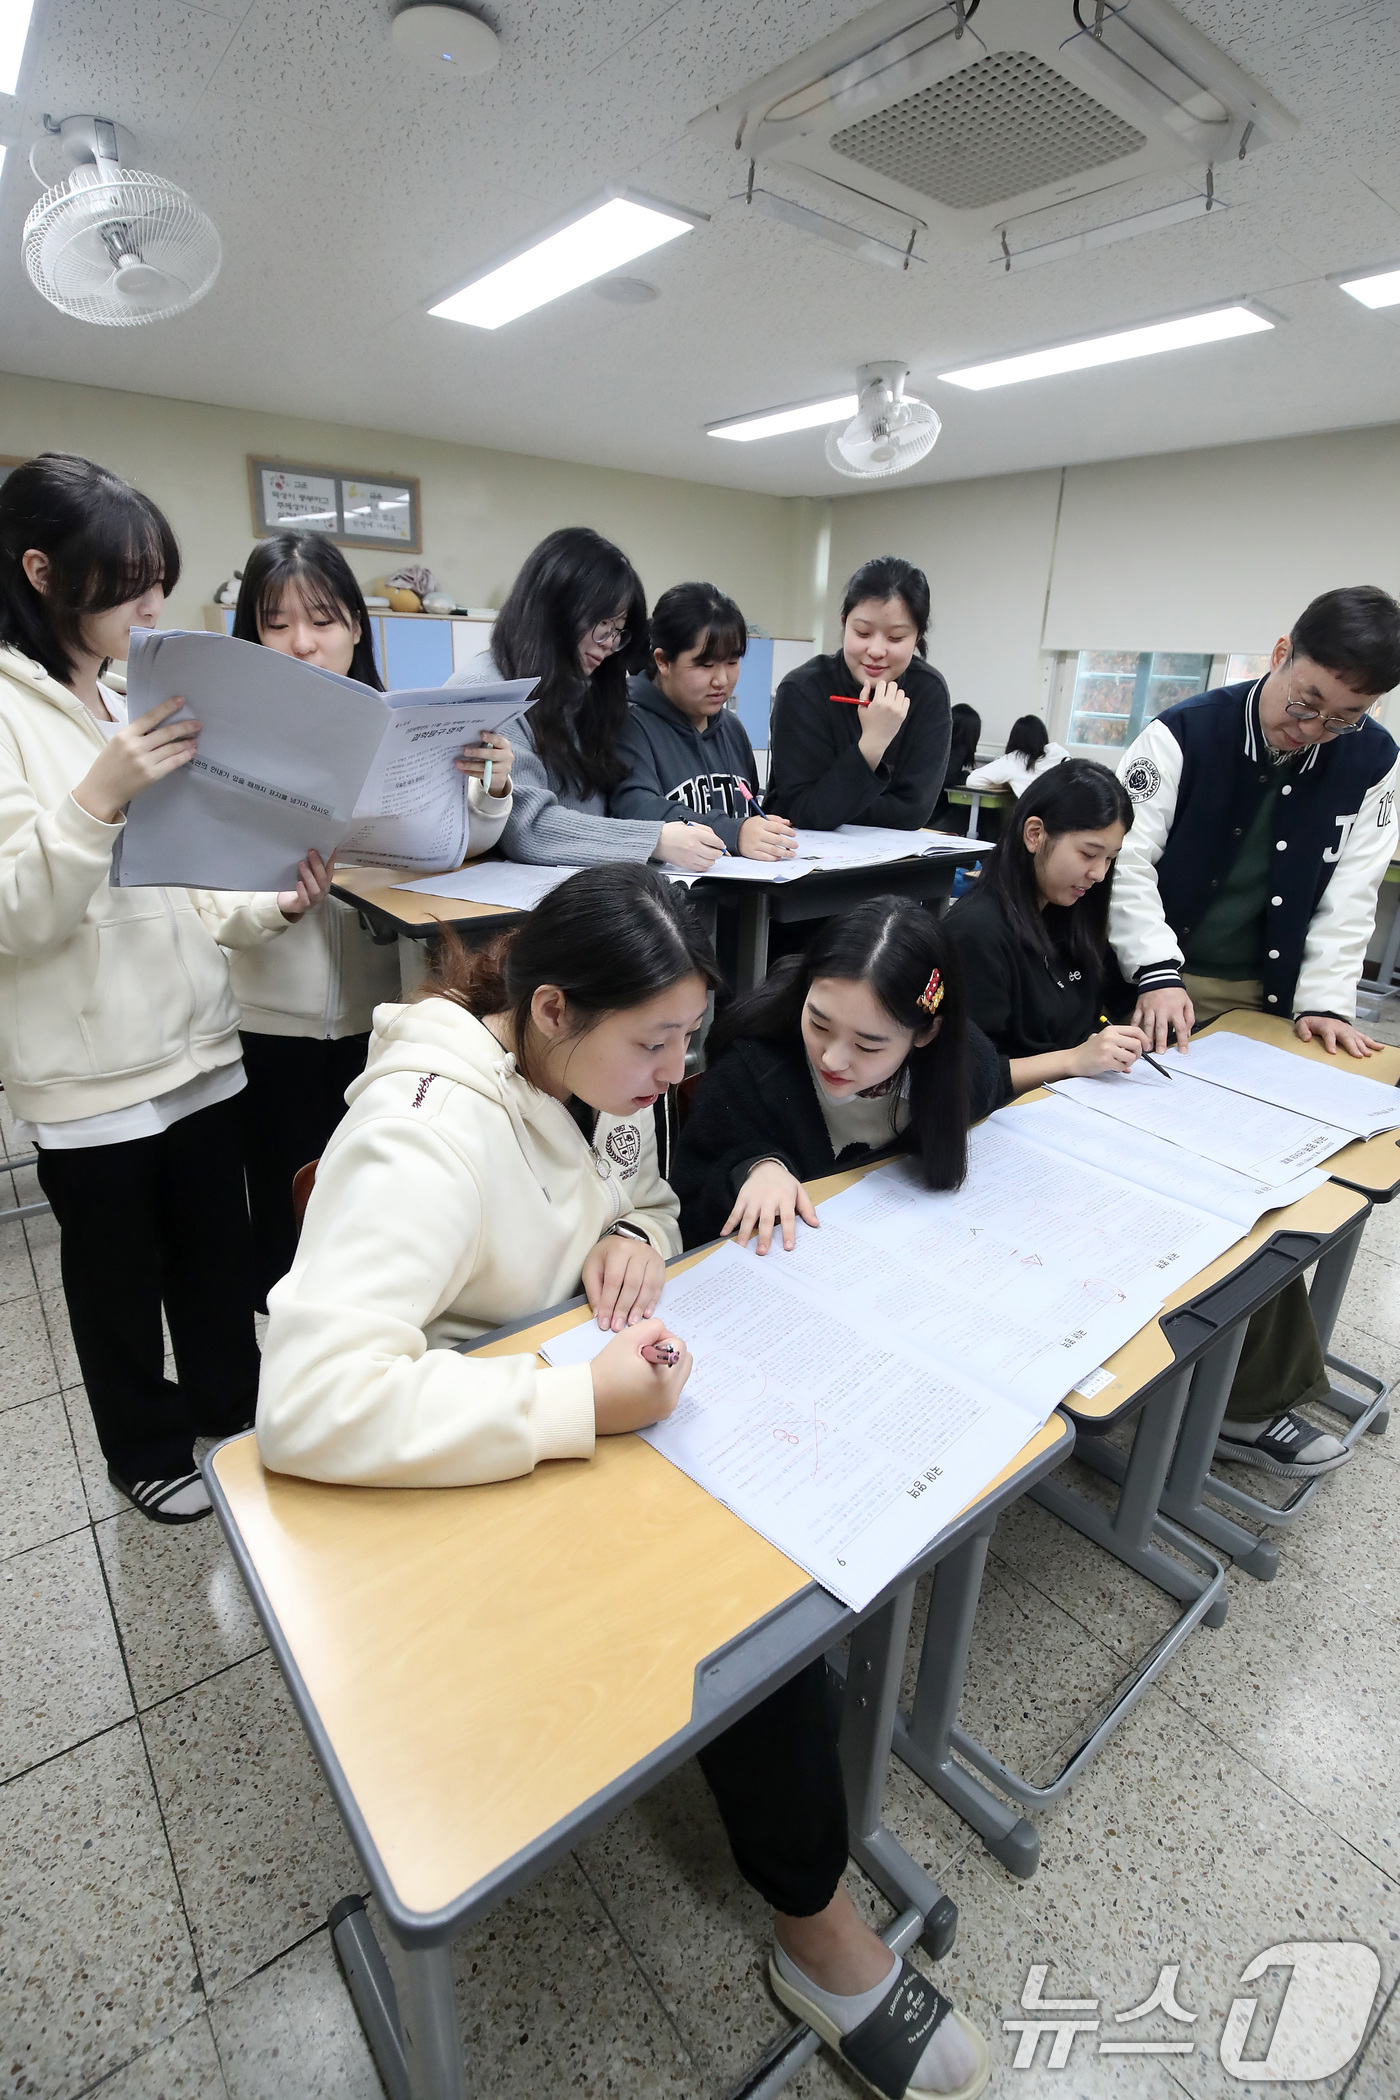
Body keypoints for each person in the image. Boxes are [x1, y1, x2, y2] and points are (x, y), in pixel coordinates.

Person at [256, 863, 990, 2100]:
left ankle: (810, 1859)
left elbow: (643, 1191)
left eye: (685, 1041)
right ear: (550, 1011)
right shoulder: (424, 1127)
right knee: (735, 1614)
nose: (671, 1076)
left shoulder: (595, 1067)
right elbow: (309, 1404)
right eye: (654, 1044)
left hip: (565, 1395)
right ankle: (816, 1933)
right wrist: (576, 1402)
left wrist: (626, 1237)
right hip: (450, 1453)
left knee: (776, 1545)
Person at [0, 454, 331, 1524]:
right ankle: (142, 1445)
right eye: (132, 583)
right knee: (115, 1287)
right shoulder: (10, 709)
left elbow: (182, 884)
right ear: (43, 571)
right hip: (91, 1076)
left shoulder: (117, 697)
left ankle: (232, 1414)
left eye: (158, 579)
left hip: (201, 1049)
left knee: (212, 1260)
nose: (154, 606)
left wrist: (265, 909)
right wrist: (99, 795)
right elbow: (15, 913)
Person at [1108, 585, 1400, 1479]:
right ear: (1278, 652)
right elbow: (1125, 865)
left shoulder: (1372, 760)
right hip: (1161, 984)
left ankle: (1234, 1380)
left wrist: (1325, 1003)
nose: (1315, 728)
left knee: (1288, 1178)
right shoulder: (1182, 734)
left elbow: (1352, 894)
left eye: (1344, 717)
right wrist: (1157, 973)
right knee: (1218, 1182)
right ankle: (1245, 1394)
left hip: (1268, 999)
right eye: (1308, 702)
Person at [230, 530, 514, 1307]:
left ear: (357, 626)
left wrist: (491, 789)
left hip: (376, 1011)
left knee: (367, 1197)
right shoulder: (232, 738)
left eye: (321, 620)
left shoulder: (403, 727)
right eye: (276, 623)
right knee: (283, 1211)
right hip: (272, 1016)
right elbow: (209, 892)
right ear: (251, 636)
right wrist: (275, 908)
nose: (301, 644)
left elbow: (460, 846)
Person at [672, 898, 1006, 1253]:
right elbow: (690, 1194)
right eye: (818, 1023)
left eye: (867, 1047)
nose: (832, 1059)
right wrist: (753, 1168)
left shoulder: (960, 1067)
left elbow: (995, 1083)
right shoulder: (751, 1067)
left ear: (925, 1035)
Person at [448, 528, 726, 872]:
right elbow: (529, 828)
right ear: (555, 609)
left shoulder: (584, 692)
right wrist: (654, 840)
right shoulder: (486, 692)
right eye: (602, 623)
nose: (609, 643)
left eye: (618, 630)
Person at [945, 760, 1147, 1096]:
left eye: (1110, 858)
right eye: (1088, 854)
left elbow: (1093, 1016)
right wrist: (1073, 1060)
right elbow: (968, 1074)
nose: (1099, 873)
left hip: (1071, 1099)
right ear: (1035, 834)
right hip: (1006, 1117)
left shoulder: (1070, 912)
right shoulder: (975, 933)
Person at [610, 580, 796, 860]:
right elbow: (637, 809)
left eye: (732, 662)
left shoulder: (732, 730)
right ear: (663, 661)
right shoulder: (628, 723)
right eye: (705, 665)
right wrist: (734, 832)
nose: (721, 680)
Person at [766, 556, 952, 832]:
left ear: (918, 636)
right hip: (804, 859)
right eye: (862, 632)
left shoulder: (928, 692)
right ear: (844, 623)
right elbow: (802, 810)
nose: (876, 651)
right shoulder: (803, 690)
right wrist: (873, 742)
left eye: (896, 638)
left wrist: (834, 804)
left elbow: (914, 812)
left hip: (890, 861)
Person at [964, 714, 1067, 801]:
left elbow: (973, 781)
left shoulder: (1014, 760)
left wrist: (1003, 784)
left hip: (1037, 817)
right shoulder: (1059, 752)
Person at [931, 702, 981, 831]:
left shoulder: (936, 743)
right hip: (935, 814)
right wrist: (967, 775)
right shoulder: (958, 750)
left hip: (925, 808)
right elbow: (947, 778)